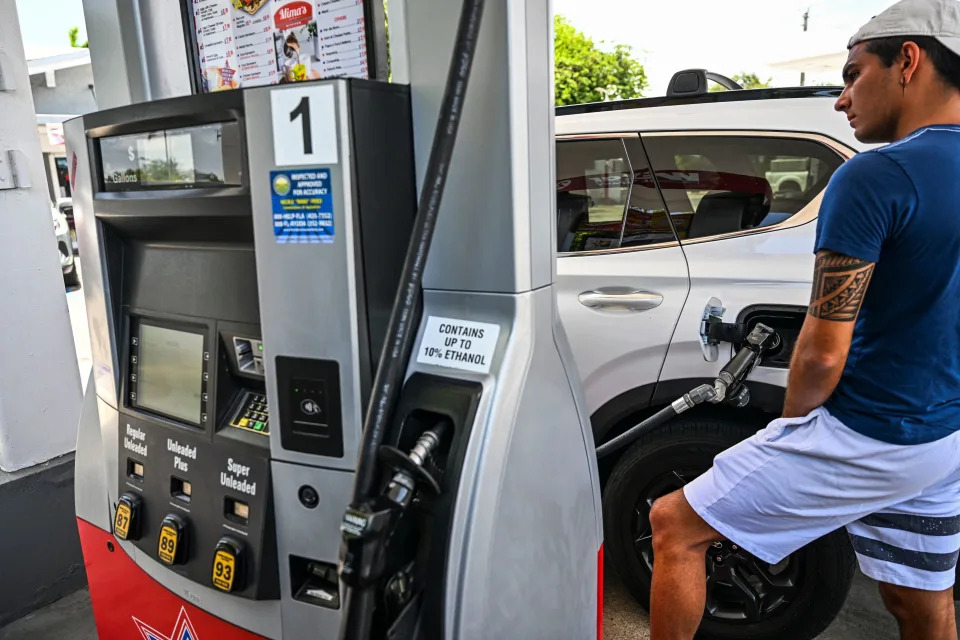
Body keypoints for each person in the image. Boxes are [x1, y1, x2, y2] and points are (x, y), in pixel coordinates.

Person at [647, 0, 960, 638]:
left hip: (868, 429)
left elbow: (820, 353)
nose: (842, 100)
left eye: (852, 75)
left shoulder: (878, 174)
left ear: (907, 61)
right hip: (942, 438)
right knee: (918, 602)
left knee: (673, 526)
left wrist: (790, 435)